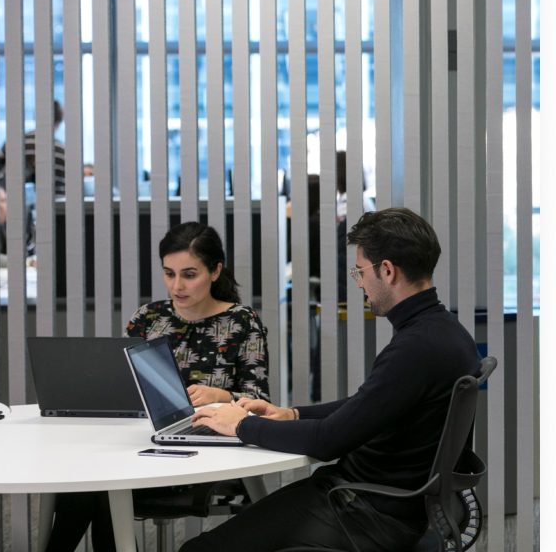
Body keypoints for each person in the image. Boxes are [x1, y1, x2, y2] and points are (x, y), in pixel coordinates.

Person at [180, 208, 481, 552]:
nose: (357, 282)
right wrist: (291, 414)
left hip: (365, 514)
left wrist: (240, 426)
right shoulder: (447, 333)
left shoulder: (416, 349)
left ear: (387, 271)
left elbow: (328, 441)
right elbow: (365, 405)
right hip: (375, 503)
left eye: (360, 270)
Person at [44, 222, 269, 552]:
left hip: (205, 451)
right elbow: (121, 385)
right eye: (169, 273)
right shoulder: (149, 318)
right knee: (91, 479)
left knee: (101, 487)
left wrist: (223, 396)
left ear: (216, 270)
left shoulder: (241, 322)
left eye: (189, 274)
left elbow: (261, 401)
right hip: (141, 442)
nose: (177, 285)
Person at [0, 100, 66, 195]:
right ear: (58, 123)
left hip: (13, 204)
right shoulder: (62, 150)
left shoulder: (14, 142)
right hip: (55, 207)